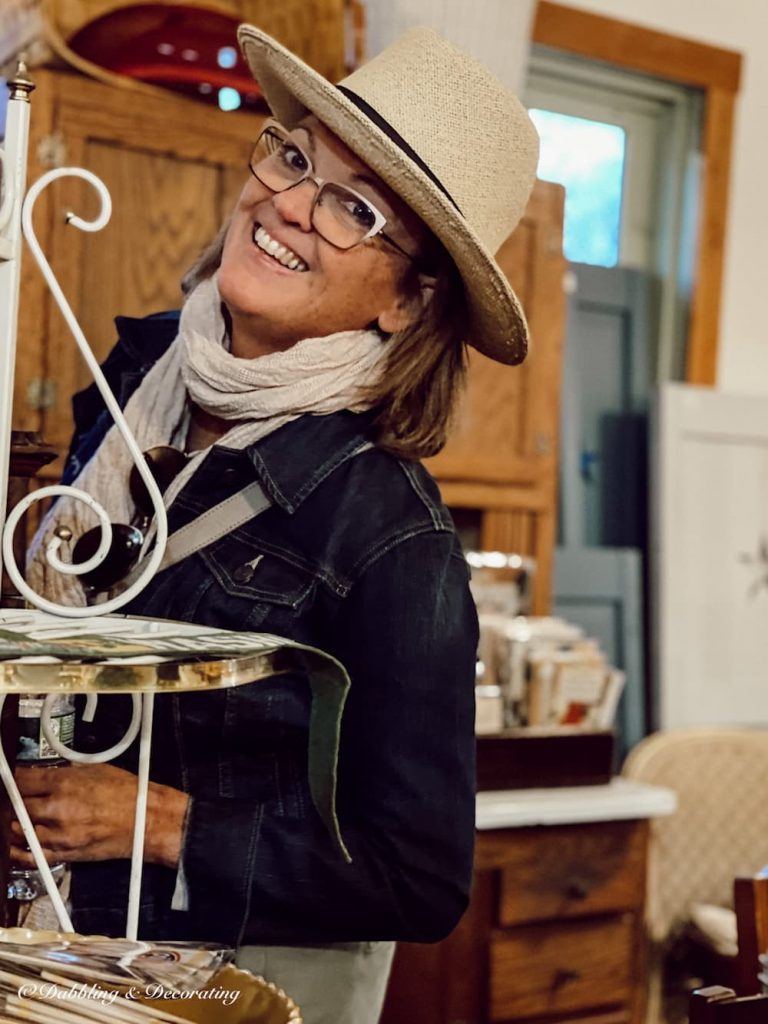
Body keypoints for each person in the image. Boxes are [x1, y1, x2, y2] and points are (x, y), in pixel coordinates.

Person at [16, 23, 538, 1024]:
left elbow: (418, 879)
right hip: (60, 961)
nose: (288, 203)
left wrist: (163, 822)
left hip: (229, 998)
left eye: (352, 207)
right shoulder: (136, 376)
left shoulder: (393, 541)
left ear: (408, 300)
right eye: (295, 154)